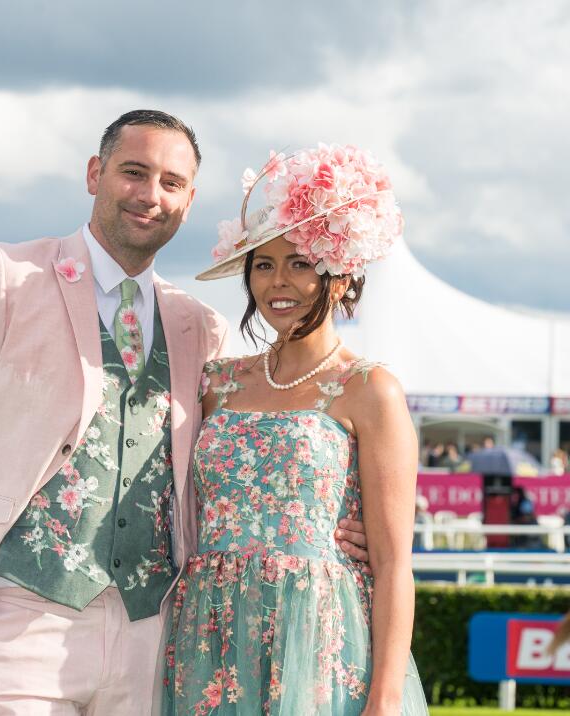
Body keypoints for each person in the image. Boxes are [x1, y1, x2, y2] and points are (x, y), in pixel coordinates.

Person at [0, 110, 369, 715]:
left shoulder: (200, 326)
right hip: (15, 616)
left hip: (155, 629)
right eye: (134, 172)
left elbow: (250, 443)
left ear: (189, 200)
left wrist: (337, 523)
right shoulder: (6, 277)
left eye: (171, 182)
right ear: (95, 173)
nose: (151, 195)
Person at [161, 146, 428, 714]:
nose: (277, 281)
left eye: (300, 262)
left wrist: (384, 697)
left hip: (319, 638)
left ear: (338, 275)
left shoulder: (370, 389)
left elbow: (393, 564)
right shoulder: (216, 382)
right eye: (264, 264)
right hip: (210, 630)